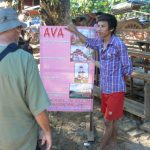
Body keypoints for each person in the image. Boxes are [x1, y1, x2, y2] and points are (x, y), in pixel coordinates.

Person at [67, 13, 133, 150]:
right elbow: (88, 42)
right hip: (105, 89)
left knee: (107, 121)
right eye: (98, 26)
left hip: (115, 90)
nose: (99, 29)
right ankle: (113, 144)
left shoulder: (118, 44)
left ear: (111, 29)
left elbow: (127, 68)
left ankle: (100, 148)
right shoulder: (100, 41)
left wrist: (119, 83)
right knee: (112, 121)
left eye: (103, 26)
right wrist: (74, 30)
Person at [0, 7, 52, 150]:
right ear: (17, 28)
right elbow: (38, 107)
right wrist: (46, 131)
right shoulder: (24, 59)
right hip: (20, 142)